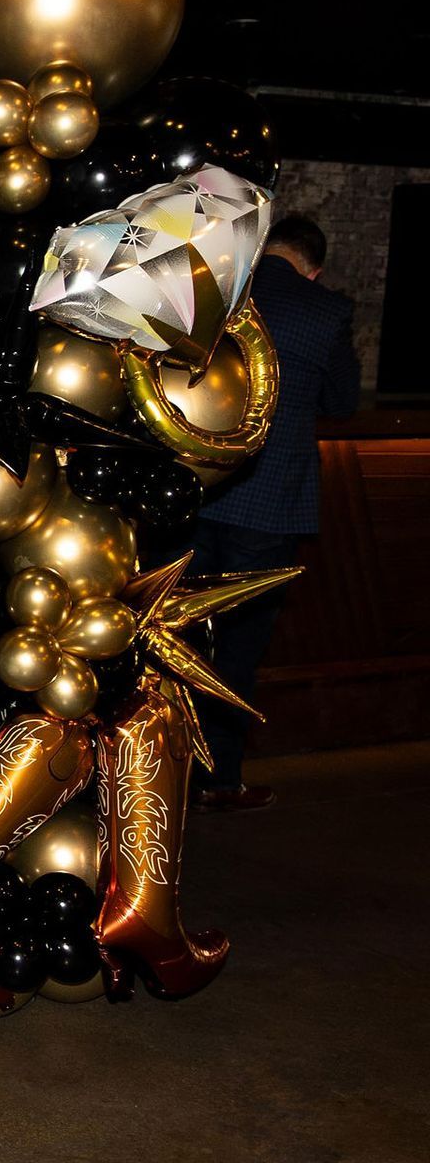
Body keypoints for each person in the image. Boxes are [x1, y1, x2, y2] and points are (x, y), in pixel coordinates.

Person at [190, 213, 360, 811]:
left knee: (173, 638)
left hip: (194, 492)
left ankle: (146, 772)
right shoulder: (325, 312)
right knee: (237, 649)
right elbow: (342, 404)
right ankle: (218, 780)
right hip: (268, 507)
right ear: (312, 268)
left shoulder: (216, 293)